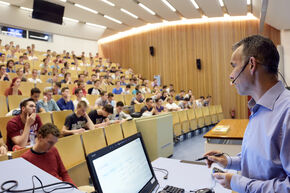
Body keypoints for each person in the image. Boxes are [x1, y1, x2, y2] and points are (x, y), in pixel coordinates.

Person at [204, 35, 290, 193]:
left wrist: (239, 184)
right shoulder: (259, 109)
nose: (231, 75)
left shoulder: (287, 112)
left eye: (234, 66)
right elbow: (262, 162)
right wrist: (228, 161)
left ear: (251, 64)